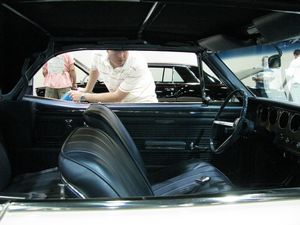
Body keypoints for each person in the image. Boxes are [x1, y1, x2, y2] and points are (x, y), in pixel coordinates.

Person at [69, 50, 158, 103]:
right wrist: (87, 90)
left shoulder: (137, 63)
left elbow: (118, 96)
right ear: (107, 50)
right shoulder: (97, 55)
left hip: (142, 103)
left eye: (125, 50)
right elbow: (94, 69)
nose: (122, 56)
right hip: (119, 103)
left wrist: (83, 96)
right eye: (116, 50)